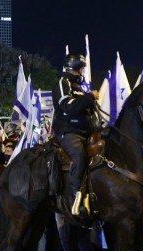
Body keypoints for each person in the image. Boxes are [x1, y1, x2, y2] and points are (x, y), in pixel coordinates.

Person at [52, 53, 99, 215]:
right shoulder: (62, 82)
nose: (82, 72)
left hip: (88, 131)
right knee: (79, 155)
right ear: (72, 68)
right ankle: (74, 197)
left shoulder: (81, 87)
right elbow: (68, 106)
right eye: (80, 69)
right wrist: (89, 97)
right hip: (69, 131)